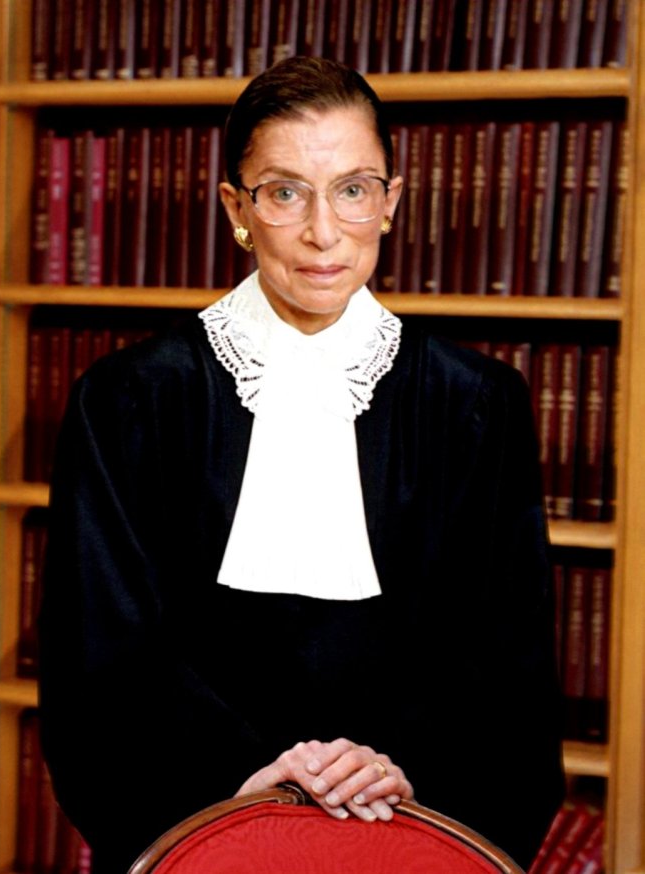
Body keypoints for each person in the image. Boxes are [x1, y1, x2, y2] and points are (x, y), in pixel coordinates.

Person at [39, 56, 564, 874]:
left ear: (390, 202)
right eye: (285, 193)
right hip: (200, 822)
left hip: (409, 818)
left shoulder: (477, 404)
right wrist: (251, 784)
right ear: (237, 209)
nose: (324, 231)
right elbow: (100, 658)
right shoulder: (129, 399)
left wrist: (389, 771)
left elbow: (506, 666)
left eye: (353, 190)